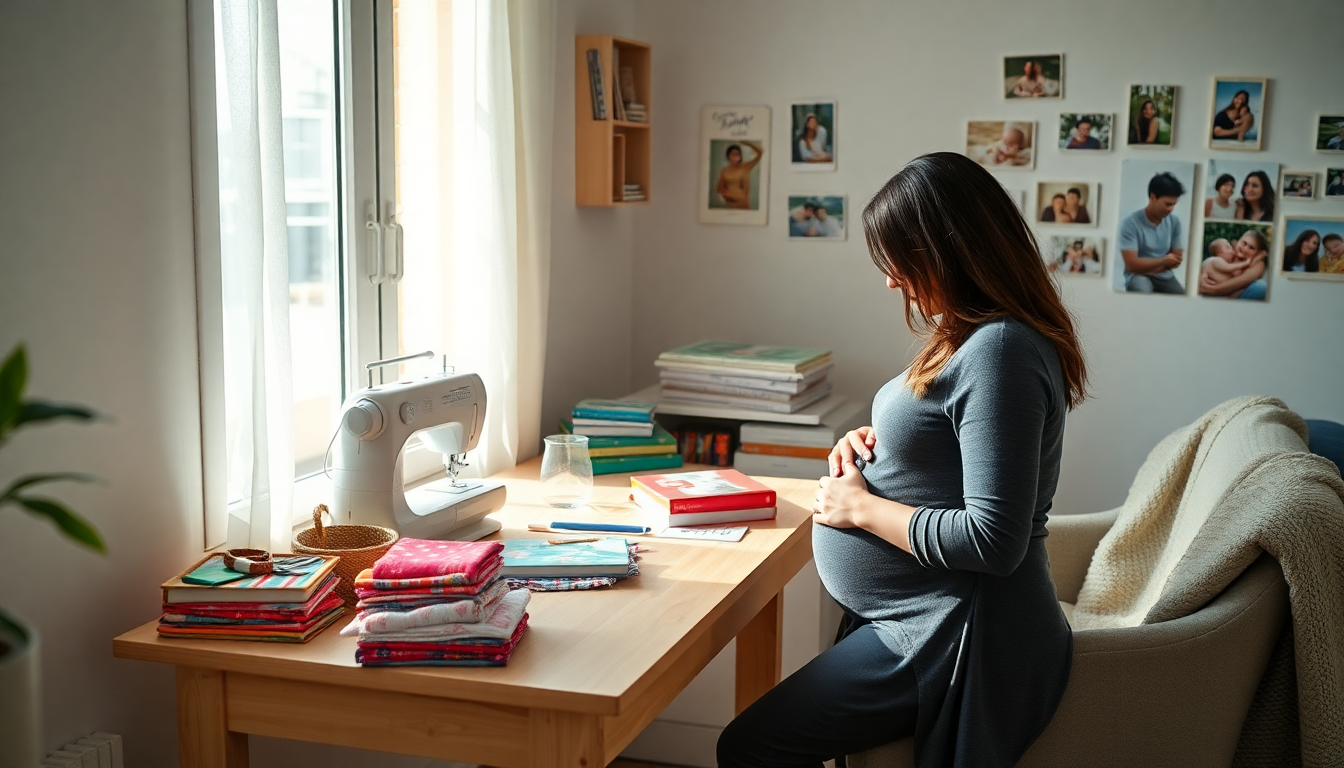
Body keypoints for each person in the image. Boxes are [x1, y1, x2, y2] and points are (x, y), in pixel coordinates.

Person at [716, 152, 1083, 768]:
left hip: (956, 631)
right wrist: (874, 445)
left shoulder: (999, 351)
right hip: (921, 615)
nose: (891, 280)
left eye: (898, 260)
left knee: (751, 747)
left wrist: (860, 508)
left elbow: (995, 540)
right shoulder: (976, 335)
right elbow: (950, 444)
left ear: (946, 251)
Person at [1119, 172, 1186, 293]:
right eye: (1167, 204)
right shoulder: (1131, 222)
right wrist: (1164, 260)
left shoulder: (1174, 221)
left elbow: (1176, 260)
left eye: (1174, 204)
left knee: (1181, 296)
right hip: (1137, 276)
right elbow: (1132, 265)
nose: (1171, 209)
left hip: (1164, 275)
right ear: (1152, 197)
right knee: (1143, 291)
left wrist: (1145, 264)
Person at [1200, 229, 1269, 299]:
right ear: (1238, 241)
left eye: (1251, 248)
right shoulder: (1227, 253)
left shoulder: (1258, 264)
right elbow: (1211, 262)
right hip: (1214, 292)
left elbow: (1239, 281)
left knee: (1261, 287)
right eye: (1244, 243)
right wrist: (1201, 276)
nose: (1244, 249)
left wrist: (1212, 289)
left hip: (1229, 296)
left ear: (1258, 253)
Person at [714, 141, 764, 210]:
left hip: (743, 203)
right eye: (732, 154)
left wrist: (747, 143)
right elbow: (719, 188)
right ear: (728, 156)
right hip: (730, 203)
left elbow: (760, 152)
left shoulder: (746, 167)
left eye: (737, 154)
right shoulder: (724, 171)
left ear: (740, 156)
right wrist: (726, 196)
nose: (735, 156)